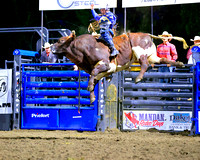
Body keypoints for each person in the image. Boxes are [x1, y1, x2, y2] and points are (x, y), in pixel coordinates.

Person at [157, 31, 178, 100]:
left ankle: (169, 96)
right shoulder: (159, 46)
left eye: (166, 37)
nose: (164, 38)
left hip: (168, 66)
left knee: (168, 80)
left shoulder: (171, 46)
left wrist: (171, 62)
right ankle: (163, 95)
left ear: (168, 38)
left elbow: (175, 55)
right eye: (163, 37)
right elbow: (157, 56)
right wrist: (155, 62)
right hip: (161, 65)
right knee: (161, 81)